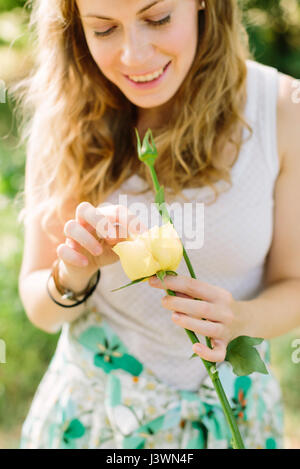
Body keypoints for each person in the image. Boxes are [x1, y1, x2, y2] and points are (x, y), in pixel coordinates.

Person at [13, 0, 300, 450]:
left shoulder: (283, 110)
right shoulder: (67, 116)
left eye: (158, 18)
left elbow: (295, 284)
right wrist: (73, 272)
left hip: (232, 417)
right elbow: (41, 309)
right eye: (104, 29)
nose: (135, 56)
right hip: (96, 418)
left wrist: (239, 319)